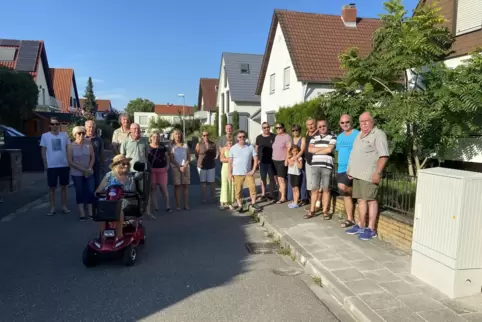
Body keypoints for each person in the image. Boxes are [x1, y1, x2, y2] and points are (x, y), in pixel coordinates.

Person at [346, 112, 389, 240]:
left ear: (372, 122)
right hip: (357, 174)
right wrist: (350, 170)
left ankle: (371, 229)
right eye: (361, 121)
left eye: (367, 121)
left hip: (369, 174)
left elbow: (384, 155)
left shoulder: (378, 135)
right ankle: (361, 225)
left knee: (371, 200)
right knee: (360, 199)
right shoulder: (359, 135)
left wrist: (378, 172)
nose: (364, 123)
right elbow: (354, 154)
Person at [95, 155, 137, 238]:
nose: (126, 165)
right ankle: (103, 235)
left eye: (127, 164)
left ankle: (119, 235)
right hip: (109, 199)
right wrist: (98, 193)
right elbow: (98, 190)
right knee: (101, 208)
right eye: (123, 164)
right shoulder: (109, 175)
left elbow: (133, 191)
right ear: (116, 165)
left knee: (119, 208)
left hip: (123, 199)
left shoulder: (130, 177)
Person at [40, 117, 71, 216]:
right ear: (49, 125)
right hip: (52, 166)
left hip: (64, 165)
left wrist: (70, 161)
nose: (55, 126)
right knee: (52, 188)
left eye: (56, 124)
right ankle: (52, 207)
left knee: (64, 187)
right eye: (52, 124)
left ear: (59, 125)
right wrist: (45, 163)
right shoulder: (45, 136)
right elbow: (43, 150)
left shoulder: (65, 135)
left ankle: (64, 206)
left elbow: (68, 149)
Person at [306, 120, 336, 220]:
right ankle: (312, 210)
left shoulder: (332, 137)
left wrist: (317, 150)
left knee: (326, 189)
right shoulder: (314, 138)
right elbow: (310, 150)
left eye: (324, 126)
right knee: (314, 189)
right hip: (315, 166)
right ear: (317, 128)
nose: (322, 128)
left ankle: (325, 211)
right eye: (320, 127)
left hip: (327, 165)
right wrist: (324, 149)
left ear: (327, 126)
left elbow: (330, 150)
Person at [336, 114, 360, 229]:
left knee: (343, 187)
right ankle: (350, 218)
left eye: (347, 122)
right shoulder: (339, 137)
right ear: (339, 124)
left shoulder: (357, 134)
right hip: (341, 168)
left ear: (351, 122)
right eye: (342, 123)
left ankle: (358, 193)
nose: (345, 124)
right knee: (345, 194)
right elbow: (339, 151)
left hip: (353, 168)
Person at [228, 130, 261, 213]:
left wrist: (253, 170)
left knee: (252, 187)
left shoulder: (250, 147)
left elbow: (256, 159)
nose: (242, 138)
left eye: (243, 136)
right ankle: (240, 205)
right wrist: (229, 173)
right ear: (237, 138)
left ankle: (253, 203)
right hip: (237, 173)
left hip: (248, 173)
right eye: (240, 137)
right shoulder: (233, 148)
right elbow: (230, 162)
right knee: (238, 190)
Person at [67, 126, 95, 220]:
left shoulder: (89, 144)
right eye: (79, 133)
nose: (81, 135)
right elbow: (70, 162)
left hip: (89, 172)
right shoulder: (71, 146)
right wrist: (84, 170)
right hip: (77, 173)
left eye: (83, 133)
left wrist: (89, 168)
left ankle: (90, 212)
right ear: (75, 135)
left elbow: (92, 158)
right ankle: (82, 213)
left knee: (90, 191)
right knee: (80, 192)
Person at [147, 131, 171, 217]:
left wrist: (168, 165)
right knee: (153, 188)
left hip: (162, 170)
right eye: (154, 137)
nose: (155, 138)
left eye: (157, 137)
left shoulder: (162, 147)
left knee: (163, 188)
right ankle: (156, 207)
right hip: (152, 170)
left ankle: (167, 206)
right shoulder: (147, 147)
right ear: (150, 138)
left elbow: (167, 157)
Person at [255, 122, 277, 201]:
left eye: (267, 127)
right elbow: (256, 149)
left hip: (272, 161)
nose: (266, 129)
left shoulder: (274, 136)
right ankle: (263, 194)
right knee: (262, 178)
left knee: (272, 178)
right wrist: (256, 160)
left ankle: (271, 194)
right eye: (264, 128)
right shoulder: (259, 138)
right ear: (262, 129)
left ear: (269, 127)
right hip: (262, 161)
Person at [170, 129, 190, 211]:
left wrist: (185, 165)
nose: (178, 136)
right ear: (173, 136)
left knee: (185, 186)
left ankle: (185, 205)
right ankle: (178, 205)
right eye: (176, 134)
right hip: (176, 167)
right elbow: (171, 158)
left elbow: (188, 157)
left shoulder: (185, 145)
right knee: (177, 186)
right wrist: (179, 166)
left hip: (185, 167)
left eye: (179, 134)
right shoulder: (172, 146)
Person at [287, 124, 307, 205]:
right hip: (292, 164)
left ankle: (302, 198)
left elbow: (302, 150)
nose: (295, 132)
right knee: (293, 183)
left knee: (301, 181)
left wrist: (295, 158)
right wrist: (288, 160)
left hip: (299, 161)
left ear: (299, 130)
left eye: (296, 130)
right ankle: (294, 198)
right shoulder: (290, 140)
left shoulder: (302, 139)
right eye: (293, 130)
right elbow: (288, 151)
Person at [195, 130, 217, 203]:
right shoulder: (199, 144)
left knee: (212, 182)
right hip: (201, 165)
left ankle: (213, 197)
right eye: (204, 135)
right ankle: (204, 198)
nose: (206, 137)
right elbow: (196, 154)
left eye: (207, 135)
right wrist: (200, 160)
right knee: (203, 182)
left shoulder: (213, 144)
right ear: (202, 136)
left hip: (211, 165)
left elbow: (214, 154)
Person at [272, 123, 291, 204]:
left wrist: (286, 159)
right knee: (277, 179)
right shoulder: (276, 137)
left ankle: (283, 197)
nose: (278, 129)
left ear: (283, 128)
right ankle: (280, 195)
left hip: (282, 160)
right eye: (276, 128)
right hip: (274, 160)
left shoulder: (287, 136)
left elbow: (289, 148)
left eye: (280, 127)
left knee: (281, 179)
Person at [85, 120, 105, 189]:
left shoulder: (99, 139)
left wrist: (103, 165)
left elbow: (101, 153)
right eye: (89, 127)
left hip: (96, 165)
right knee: (87, 184)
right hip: (85, 165)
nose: (91, 129)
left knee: (97, 183)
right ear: (86, 128)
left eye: (93, 127)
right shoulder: (82, 139)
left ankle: (95, 198)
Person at [219, 135, 235, 210]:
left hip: (233, 168)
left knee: (231, 185)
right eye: (228, 141)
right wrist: (230, 159)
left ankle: (230, 202)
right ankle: (222, 202)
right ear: (226, 142)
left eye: (231, 141)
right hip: (225, 168)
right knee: (224, 184)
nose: (230, 142)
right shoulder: (223, 149)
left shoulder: (234, 149)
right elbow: (221, 159)